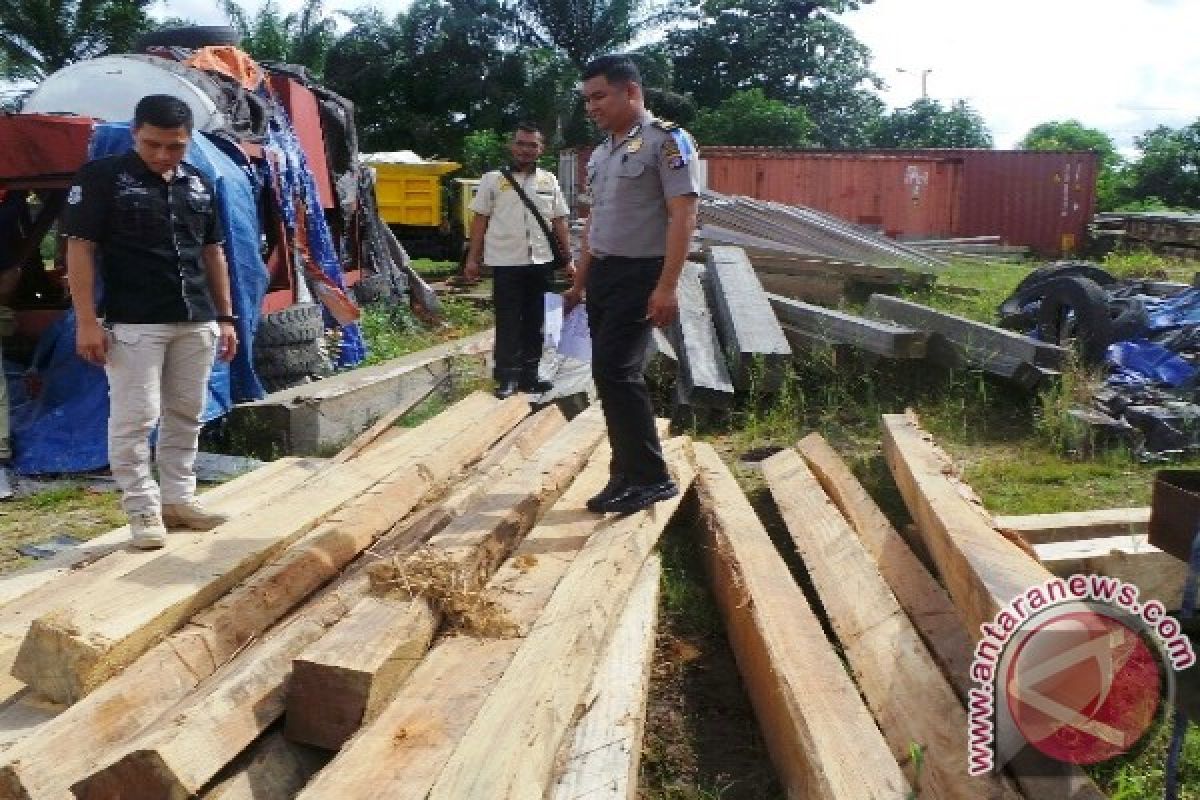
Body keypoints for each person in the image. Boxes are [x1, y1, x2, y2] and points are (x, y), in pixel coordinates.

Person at [62, 94, 239, 549]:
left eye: (174, 146)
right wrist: (86, 321)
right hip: (135, 323)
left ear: (189, 140)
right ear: (135, 133)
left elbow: (213, 251)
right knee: (135, 419)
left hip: (196, 320)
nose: (162, 155)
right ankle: (142, 509)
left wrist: (226, 316)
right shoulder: (103, 179)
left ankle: (179, 500)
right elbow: (79, 249)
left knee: (186, 413)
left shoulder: (199, 183)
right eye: (152, 144)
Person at [564, 55, 701, 515]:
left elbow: (683, 215)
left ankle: (651, 477)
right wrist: (579, 284)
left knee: (615, 371)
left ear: (631, 92)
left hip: (642, 274)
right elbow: (595, 223)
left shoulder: (666, 141)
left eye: (599, 96)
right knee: (610, 374)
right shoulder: (602, 153)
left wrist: (667, 286)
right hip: (604, 273)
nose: (591, 107)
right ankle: (625, 472)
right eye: (587, 99)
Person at [465, 122, 574, 398]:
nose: (526, 150)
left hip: (542, 262)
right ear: (512, 146)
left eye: (532, 145)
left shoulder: (549, 181)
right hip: (505, 262)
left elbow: (559, 221)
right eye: (521, 144)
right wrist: (472, 259)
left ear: (541, 149)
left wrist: (568, 259)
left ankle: (530, 375)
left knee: (537, 321)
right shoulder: (493, 180)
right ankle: (506, 378)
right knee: (508, 320)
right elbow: (480, 221)